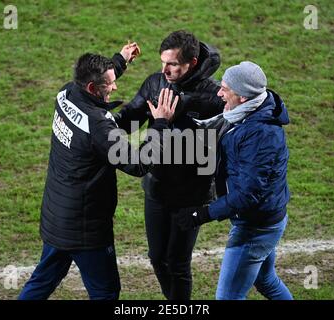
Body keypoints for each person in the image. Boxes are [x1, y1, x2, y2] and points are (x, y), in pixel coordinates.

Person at [18, 44, 179, 300]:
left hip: (57, 217)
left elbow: (99, 80)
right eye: (109, 84)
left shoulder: (66, 93)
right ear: (93, 88)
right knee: (105, 292)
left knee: (42, 282)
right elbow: (137, 164)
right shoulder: (98, 128)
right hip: (85, 229)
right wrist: (160, 123)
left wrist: (121, 60)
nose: (114, 87)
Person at [113, 30, 224, 300]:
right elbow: (130, 118)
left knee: (177, 262)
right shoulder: (155, 84)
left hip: (192, 194)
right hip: (157, 188)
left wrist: (184, 106)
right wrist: (104, 120)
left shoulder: (215, 95)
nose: (165, 70)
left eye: (172, 64)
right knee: (156, 258)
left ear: (192, 63)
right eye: (163, 62)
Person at [175, 61, 293, 300]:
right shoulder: (250, 112)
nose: (219, 93)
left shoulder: (260, 134)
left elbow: (248, 193)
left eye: (225, 89)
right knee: (266, 280)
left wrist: (203, 213)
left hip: (255, 227)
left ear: (241, 96)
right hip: (265, 218)